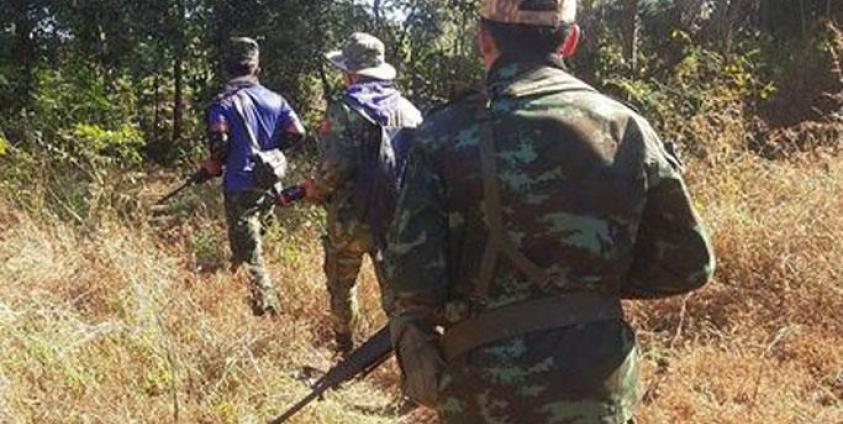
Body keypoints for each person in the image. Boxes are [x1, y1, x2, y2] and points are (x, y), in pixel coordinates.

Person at [387, 1, 716, 422]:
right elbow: (690, 264)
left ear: (483, 39)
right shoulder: (626, 128)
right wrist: (591, 284)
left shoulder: (443, 134)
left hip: (486, 393)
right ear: (571, 40)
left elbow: (412, 281)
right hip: (598, 388)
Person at [299, 32, 422, 355]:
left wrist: (312, 189)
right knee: (399, 298)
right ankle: (410, 359)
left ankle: (345, 350)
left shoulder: (343, 110)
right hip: (395, 221)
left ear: (351, 73)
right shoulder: (409, 111)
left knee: (341, 286)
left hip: (349, 221)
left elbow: (333, 168)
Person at [203, 37, 306, 317]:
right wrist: (270, 152)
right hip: (270, 183)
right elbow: (297, 132)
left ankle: (267, 311)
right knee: (251, 241)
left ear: (226, 69)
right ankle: (237, 287)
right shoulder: (277, 100)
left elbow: (220, 147)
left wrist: (213, 165)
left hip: (240, 185)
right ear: (257, 69)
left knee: (250, 252)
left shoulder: (222, 103)